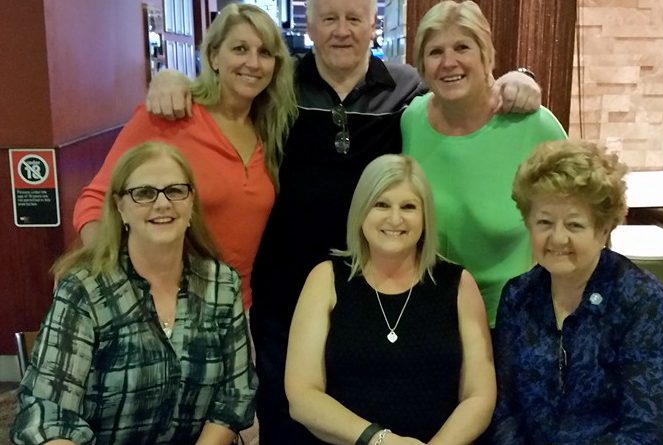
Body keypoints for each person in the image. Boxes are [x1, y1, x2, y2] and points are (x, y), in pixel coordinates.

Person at [144, 1, 540, 442]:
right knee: (288, 417)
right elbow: (226, 93)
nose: (342, 30)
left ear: (373, 26)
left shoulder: (405, 90)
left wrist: (520, 77)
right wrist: (172, 79)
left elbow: (459, 91)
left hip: (377, 283)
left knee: (393, 400)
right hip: (286, 286)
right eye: (329, 18)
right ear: (309, 25)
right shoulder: (280, 84)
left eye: (354, 18)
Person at [12, 142, 257, 444]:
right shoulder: (85, 289)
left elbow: (234, 396)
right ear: (120, 207)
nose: (163, 203)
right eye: (144, 193)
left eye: (175, 190)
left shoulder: (221, 284)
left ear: (191, 201)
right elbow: (47, 414)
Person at [73, 3, 298, 310]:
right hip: (163, 307)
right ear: (214, 56)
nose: (253, 63)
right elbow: (94, 200)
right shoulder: (171, 115)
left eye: (265, 53)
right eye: (240, 49)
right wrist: (114, 281)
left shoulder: (270, 129)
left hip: (236, 308)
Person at [486, 139, 663, 444]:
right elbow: (506, 411)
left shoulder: (641, 303)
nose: (557, 238)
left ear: (604, 229)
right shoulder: (518, 296)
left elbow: (654, 431)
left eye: (574, 225)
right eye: (544, 222)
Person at [285, 154, 495, 445]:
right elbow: (302, 396)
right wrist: (381, 440)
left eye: (408, 207)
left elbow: (479, 396)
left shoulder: (458, 284)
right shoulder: (325, 279)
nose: (395, 219)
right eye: (381, 204)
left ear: (425, 217)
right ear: (361, 211)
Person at [402, 0, 567, 327]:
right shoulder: (412, 120)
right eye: (435, 52)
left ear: (486, 55)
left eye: (462, 47)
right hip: (430, 310)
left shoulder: (534, 126)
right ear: (421, 65)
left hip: (514, 317)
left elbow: (587, 214)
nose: (449, 62)